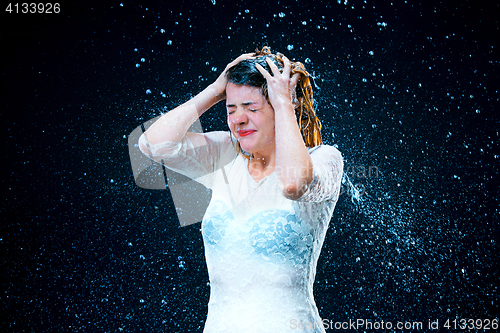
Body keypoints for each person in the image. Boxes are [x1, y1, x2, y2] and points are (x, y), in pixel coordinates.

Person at [138, 46, 343, 332]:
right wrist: (215, 89)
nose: (239, 119)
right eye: (231, 108)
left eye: (252, 108)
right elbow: (151, 145)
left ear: (284, 104)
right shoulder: (225, 155)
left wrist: (284, 101)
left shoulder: (323, 158)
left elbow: (293, 184)